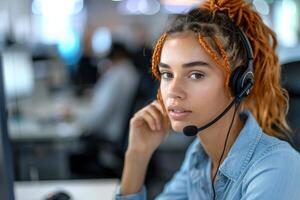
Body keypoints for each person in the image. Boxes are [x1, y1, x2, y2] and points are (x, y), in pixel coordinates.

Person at [115, 0, 300, 199]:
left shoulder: (275, 167)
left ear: (239, 83)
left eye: (196, 75)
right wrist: (137, 155)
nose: (173, 91)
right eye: (167, 74)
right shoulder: (199, 157)